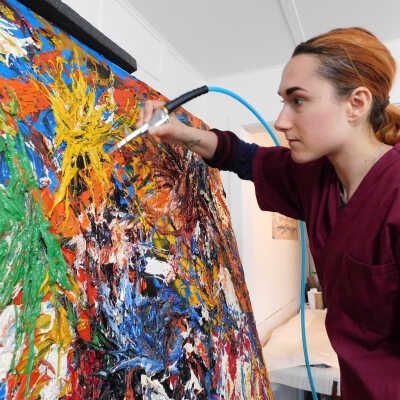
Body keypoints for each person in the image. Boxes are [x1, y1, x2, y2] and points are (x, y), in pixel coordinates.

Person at [136, 27, 400, 399]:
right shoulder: (316, 179)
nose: (281, 121)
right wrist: (178, 132)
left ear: (356, 103)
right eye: (283, 101)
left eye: (298, 100)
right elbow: (240, 156)